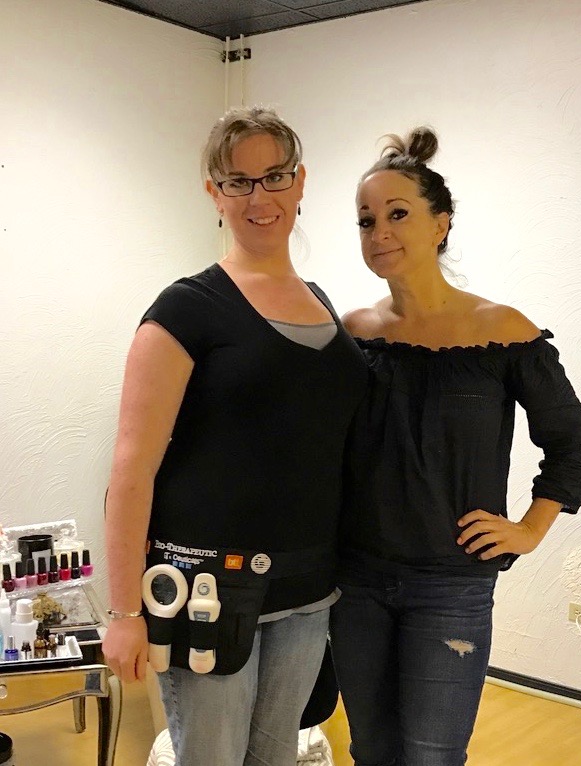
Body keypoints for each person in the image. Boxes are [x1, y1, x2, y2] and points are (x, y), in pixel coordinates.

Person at [102, 106, 367, 766]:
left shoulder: (322, 302)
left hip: (306, 589)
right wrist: (124, 613)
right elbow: (131, 470)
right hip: (207, 594)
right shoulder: (186, 309)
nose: (258, 197)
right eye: (238, 181)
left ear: (299, 182)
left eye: (274, 176)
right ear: (213, 193)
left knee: (277, 756)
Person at [330, 127, 581, 766]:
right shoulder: (354, 333)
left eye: (398, 214)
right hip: (356, 580)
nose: (380, 233)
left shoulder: (501, 331)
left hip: (452, 585)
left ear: (441, 224)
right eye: (367, 220)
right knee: (371, 750)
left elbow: (571, 441)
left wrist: (528, 529)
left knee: (434, 755)